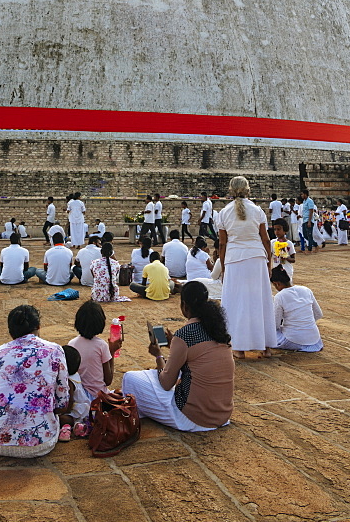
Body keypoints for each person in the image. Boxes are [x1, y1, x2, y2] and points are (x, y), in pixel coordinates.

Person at [122, 280, 234, 431]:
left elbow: (166, 383)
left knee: (130, 378)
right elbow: (198, 356)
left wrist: (158, 356)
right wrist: (173, 345)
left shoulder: (185, 334)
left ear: (185, 306)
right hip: (223, 415)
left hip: (193, 418)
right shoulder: (218, 329)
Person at [0, 304, 68, 458]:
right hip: (40, 442)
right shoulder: (54, 350)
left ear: (11, 332)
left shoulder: (2, 351)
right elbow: (62, 400)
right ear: (38, 327)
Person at [217, 175, 276, 359]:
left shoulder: (224, 212)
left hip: (234, 259)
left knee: (236, 302)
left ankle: (238, 348)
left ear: (230, 190)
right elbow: (265, 239)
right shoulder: (257, 210)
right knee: (260, 300)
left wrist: (224, 265)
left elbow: (222, 243)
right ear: (248, 190)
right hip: (256, 257)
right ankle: (266, 347)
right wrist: (269, 261)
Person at [69, 300, 122, 399]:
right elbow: (108, 380)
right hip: (97, 397)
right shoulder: (101, 345)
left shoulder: (72, 344)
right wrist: (112, 351)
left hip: (80, 395)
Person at [271, 266, 323, 351]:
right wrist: (304, 324)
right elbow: (318, 314)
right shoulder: (306, 290)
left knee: (265, 333)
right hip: (314, 340)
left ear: (277, 283)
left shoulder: (280, 296)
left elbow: (275, 325)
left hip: (293, 340)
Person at [57, 345, 92, 442]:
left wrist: (64, 412)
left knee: (59, 419)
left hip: (77, 410)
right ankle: (77, 425)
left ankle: (72, 424)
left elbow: (70, 401)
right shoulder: (75, 374)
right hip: (83, 408)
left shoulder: (68, 380)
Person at [270, 219, 296, 284]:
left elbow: (293, 259)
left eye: (278, 229)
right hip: (276, 269)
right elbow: (269, 255)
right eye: (275, 229)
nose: (276, 232)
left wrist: (285, 257)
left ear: (285, 230)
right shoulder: (272, 242)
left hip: (287, 270)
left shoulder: (289, 243)